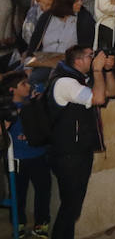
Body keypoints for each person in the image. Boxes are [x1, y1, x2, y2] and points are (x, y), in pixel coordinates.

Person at [47, 45, 115, 239]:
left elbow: (111, 91)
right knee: (70, 207)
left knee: (72, 207)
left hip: (79, 151)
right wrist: (97, 70)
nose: (94, 58)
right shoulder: (65, 83)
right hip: (68, 154)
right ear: (78, 61)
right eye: (90, 56)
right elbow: (98, 97)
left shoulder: (80, 78)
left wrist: (107, 70)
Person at [2, 71, 51, 239]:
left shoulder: (33, 102)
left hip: (39, 155)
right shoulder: (6, 109)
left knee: (44, 192)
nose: (28, 86)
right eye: (23, 84)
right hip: (16, 160)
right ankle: (19, 224)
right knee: (18, 195)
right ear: (12, 90)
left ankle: (42, 225)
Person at [26, 0, 94, 55]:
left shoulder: (83, 18)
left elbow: (86, 45)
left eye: (81, 0)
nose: (80, 3)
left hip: (69, 61)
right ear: (66, 2)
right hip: (45, 59)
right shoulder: (47, 17)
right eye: (76, 1)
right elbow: (35, 41)